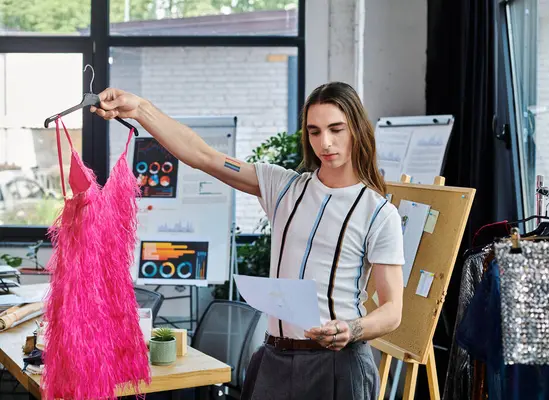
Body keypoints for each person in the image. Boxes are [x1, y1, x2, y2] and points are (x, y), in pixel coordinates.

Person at [91, 81, 405, 400]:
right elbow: (204, 156)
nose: (325, 142)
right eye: (314, 131)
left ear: (357, 130)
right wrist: (141, 109)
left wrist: (352, 329)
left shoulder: (379, 213)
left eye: (336, 129)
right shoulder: (284, 188)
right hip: (274, 359)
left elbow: (393, 310)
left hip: (338, 365)